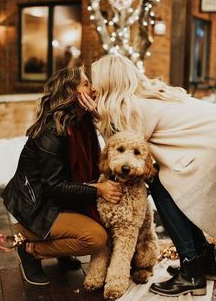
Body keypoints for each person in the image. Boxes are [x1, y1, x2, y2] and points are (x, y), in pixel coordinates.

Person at [81, 54, 216, 297]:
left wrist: (97, 117)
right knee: (165, 187)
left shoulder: (135, 107)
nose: (93, 87)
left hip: (207, 151)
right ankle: (204, 260)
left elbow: (122, 156)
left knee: (161, 188)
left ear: (109, 81)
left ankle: (192, 271)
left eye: (95, 80)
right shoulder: (147, 95)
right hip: (208, 145)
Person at [2, 66, 122, 286]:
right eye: (86, 83)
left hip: (57, 203)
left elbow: (119, 145)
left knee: (105, 223)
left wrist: (99, 116)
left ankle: (61, 251)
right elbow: (54, 187)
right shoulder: (53, 132)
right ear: (71, 92)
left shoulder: (82, 122)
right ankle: (31, 249)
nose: (93, 88)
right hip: (34, 208)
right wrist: (98, 189)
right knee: (97, 238)